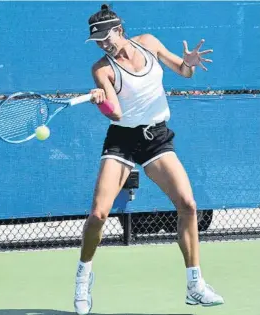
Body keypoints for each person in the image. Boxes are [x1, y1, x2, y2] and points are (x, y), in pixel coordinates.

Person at [74, 4, 224, 314]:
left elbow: (183, 71)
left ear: (120, 30)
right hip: (123, 141)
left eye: (106, 37)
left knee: (188, 204)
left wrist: (190, 63)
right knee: (99, 215)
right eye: (98, 41)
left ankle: (195, 285)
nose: (104, 44)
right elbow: (115, 112)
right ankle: (83, 278)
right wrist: (100, 101)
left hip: (156, 138)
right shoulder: (101, 68)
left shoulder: (149, 42)